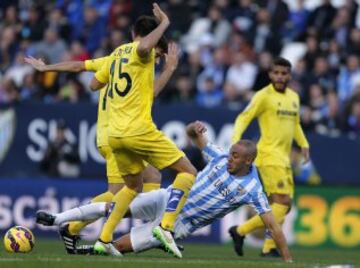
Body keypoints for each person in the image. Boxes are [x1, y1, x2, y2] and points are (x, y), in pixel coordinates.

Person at [36, 121, 293, 263]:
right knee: (115, 207)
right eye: (231, 153)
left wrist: (288, 260)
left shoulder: (253, 189)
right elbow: (194, 136)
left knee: (120, 247)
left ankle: (83, 252)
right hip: (168, 198)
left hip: (180, 225)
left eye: (235, 157)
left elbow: (274, 225)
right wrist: (195, 128)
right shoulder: (219, 156)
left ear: (248, 161)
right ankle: (58, 219)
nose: (230, 159)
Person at [25, 41, 179, 254]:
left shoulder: (112, 61)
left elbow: (80, 69)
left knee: (152, 176)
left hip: (110, 133)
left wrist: (47, 68)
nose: (158, 57)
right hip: (117, 135)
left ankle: (153, 227)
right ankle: (71, 226)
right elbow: (150, 93)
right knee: (118, 194)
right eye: (158, 53)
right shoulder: (136, 66)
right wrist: (169, 68)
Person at [89, 3, 197, 257]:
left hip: (114, 135)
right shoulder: (143, 53)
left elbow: (93, 83)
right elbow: (146, 47)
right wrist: (165, 23)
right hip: (137, 130)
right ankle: (165, 227)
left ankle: (104, 239)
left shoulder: (116, 55)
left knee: (132, 188)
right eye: (160, 52)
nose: (158, 56)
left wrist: (167, 69)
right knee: (188, 172)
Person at [230, 57, 310, 257]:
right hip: (268, 155)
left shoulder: (294, 97)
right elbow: (244, 117)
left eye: (284, 73)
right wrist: (235, 141)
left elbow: (296, 124)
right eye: (277, 73)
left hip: (284, 158)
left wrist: (304, 144)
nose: (280, 77)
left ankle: (268, 247)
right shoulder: (263, 96)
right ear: (270, 74)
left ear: (289, 75)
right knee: (282, 202)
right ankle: (240, 231)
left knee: (283, 205)